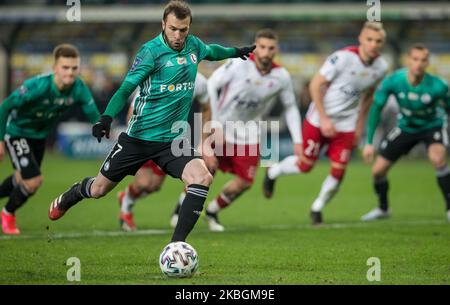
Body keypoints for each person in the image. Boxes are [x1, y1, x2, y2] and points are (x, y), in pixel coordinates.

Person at [47, 0, 255, 245]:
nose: (178, 35)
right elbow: (126, 88)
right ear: (163, 25)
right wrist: (106, 117)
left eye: (183, 30)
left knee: (202, 177)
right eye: (173, 29)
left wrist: (236, 51)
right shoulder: (150, 52)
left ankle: (177, 246)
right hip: (139, 138)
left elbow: (213, 51)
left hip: (172, 141)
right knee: (99, 190)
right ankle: (72, 194)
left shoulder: (194, 46)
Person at [171, 28, 303, 232]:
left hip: (250, 131)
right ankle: (181, 207)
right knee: (205, 167)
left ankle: (213, 211)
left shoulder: (281, 76)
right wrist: (213, 124)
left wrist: (298, 140)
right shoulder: (237, 64)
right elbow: (212, 85)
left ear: (276, 50)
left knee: (245, 181)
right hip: (220, 124)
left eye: (271, 48)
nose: (266, 52)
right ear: (255, 47)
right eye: (262, 47)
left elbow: (291, 107)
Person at [263, 21, 389, 225]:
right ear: (361, 40)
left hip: (346, 125)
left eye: (378, 41)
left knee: (339, 170)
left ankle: (317, 208)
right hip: (318, 119)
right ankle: (274, 171)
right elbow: (315, 84)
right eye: (369, 40)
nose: (374, 44)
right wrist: (323, 118)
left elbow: (368, 97)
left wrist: (359, 127)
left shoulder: (381, 68)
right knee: (305, 166)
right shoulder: (343, 58)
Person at [0, 44, 100, 234]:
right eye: (65, 67)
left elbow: (93, 114)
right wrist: (0, 141)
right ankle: (7, 213)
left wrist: (101, 127)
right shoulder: (37, 87)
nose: (70, 73)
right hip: (17, 132)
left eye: (74, 68)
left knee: (22, 178)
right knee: (33, 181)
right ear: (55, 68)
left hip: (39, 137)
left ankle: (8, 210)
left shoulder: (78, 88)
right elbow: (5, 107)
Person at [361, 43, 450, 222]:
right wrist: (369, 142)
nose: (418, 63)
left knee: (438, 159)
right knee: (377, 171)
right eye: (415, 59)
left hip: (432, 125)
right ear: (408, 60)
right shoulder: (394, 81)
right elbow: (376, 108)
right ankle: (383, 209)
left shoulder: (439, 86)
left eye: (423, 60)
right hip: (406, 127)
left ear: (427, 63)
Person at [117, 72, 211, 231]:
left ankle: (126, 196)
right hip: (145, 136)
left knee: (154, 186)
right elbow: (132, 111)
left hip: (170, 141)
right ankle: (126, 204)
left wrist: (204, 141)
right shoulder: (158, 76)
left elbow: (206, 107)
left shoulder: (199, 81)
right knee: (144, 183)